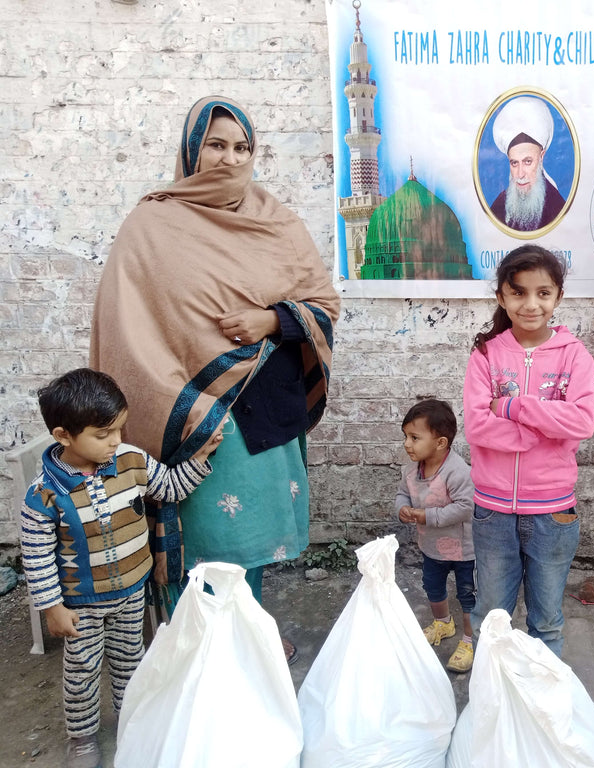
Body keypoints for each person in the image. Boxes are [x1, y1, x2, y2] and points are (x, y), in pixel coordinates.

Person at [89, 96, 340, 659]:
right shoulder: (150, 226)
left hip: (262, 412)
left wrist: (269, 320)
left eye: (242, 147)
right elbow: (127, 328)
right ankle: (199, 654)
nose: (230, 158)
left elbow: (323, 304)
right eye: (216, 145)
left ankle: (247, 638)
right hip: (193, 418)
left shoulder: (276, 221)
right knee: (204, 545)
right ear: (191, 150)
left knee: (250, 545)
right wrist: (180, 404)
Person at [20, 368, 223, 768]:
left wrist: (200, 457)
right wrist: (52, 607)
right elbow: (37, 556)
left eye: (118, 429)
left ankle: (132, 722)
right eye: (102, 434)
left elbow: (169, 487)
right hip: (80, 604)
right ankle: (82, 738)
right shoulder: (43, 494)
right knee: (82, 671)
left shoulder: (131, 461)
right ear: (63, 436)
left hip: (132, 593)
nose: (115, 441)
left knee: (131, 661)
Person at [462, 245, 594, 656]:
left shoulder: (575, 356)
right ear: (502, 297)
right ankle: (495, 694)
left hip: (552, 513)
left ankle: (542, 696)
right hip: (493, 512)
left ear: (558, 296)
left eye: (543, 293)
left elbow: (582, 422)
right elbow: (476, 426)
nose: (531, 304)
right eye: (518, 292)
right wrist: (538, 431)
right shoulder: (486, 355)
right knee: (491, 620)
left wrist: (513, 407)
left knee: (547, 623)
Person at [395, 398, 476, 673]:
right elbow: (402, 494)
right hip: (431, 547)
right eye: (406, 436)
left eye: (414, 437)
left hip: (464, 550)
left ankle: (469, 639)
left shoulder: (457, 472)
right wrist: (402, 509)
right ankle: (443, 623)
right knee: (433, 587)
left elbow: (465, 507)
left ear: (440, 442)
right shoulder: (411, 471)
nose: (407, 444)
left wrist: (427, 516)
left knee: (468, 595)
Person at [488, 95, 567, 232]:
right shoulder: (498, 206)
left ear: (541, 157)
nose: (520, 174)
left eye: (527, 162)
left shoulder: (558, 207)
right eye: (514, 163)